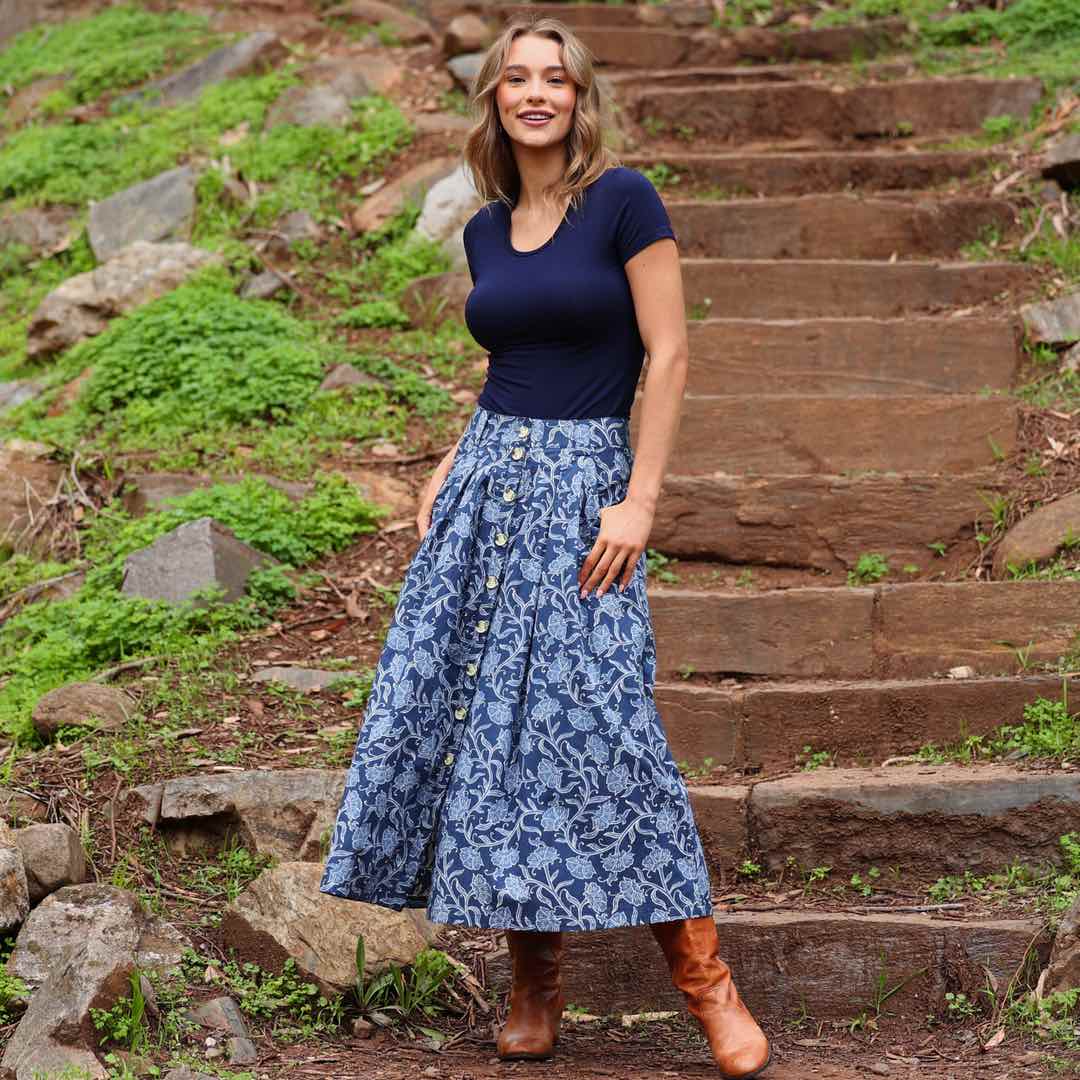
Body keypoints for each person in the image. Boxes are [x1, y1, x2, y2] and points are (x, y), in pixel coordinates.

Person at [319, 14, 770, 1080]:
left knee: (607, 725)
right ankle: (535, 986)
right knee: (491, 733)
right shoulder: (483, 229)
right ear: (494, 98)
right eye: (515, 77)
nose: (534, 93)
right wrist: (448, 459)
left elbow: (666, 356)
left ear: (580, 97)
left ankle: (710, 990)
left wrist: (641, 498)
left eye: (553, 78)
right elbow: (508, 367)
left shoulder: (624, 201)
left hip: (585, 496)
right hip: (486, 491)